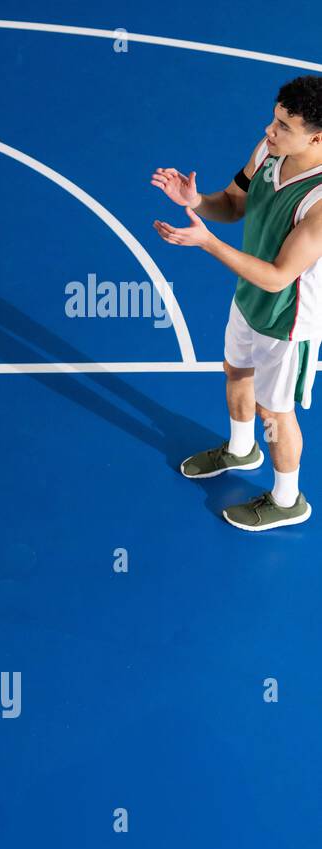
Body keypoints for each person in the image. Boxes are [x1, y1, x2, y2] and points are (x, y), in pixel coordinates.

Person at [154, 76, 322, 531]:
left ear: (317, 137)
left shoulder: (320, 201)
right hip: (248, 299)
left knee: (276, 411)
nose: (270, 131)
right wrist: (196, 201)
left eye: (284, 126)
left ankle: (288, 500)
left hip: (287, 321)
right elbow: (232, 203)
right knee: (235, 372)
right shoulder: (269, 151)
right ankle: (241, 448)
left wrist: (206, 244)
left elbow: (277, 277)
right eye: (273, 118)